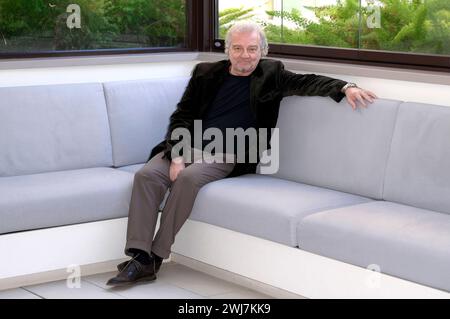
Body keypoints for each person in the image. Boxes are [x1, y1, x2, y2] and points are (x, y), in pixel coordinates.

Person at [106, 21, 377, 287]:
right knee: (147, 175)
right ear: (228, 50)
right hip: (189, 144)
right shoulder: (205, 73)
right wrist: (177, 156)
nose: (244, 55)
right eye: (237, 48)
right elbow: (183, 115)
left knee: (188, 178)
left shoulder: (272, 74)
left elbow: (308, 82)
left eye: (251, 49)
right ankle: (139, 256)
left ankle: (155, 256)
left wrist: (345, 87)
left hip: (231, 150)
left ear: (262, 51)